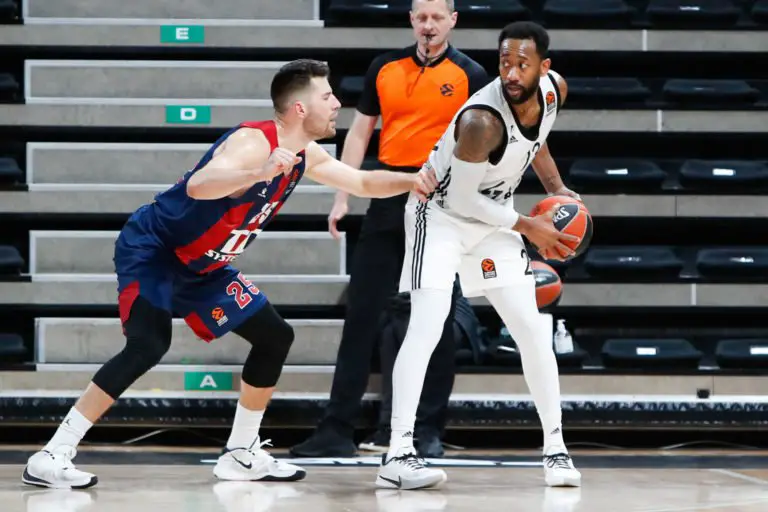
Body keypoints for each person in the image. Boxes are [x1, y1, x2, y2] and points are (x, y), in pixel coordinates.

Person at [20, 59, 438, 490]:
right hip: (156, 251)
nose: (336, 104)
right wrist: (260, 173)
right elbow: (199, 185)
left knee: (275, 337)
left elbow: (362, 184)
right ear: (299, 108)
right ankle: (52, 454)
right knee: (148, 344)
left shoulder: (305, 153)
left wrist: (414, 181)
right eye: (327, 96)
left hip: (204, 264)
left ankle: (240, 452)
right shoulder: (253, 142)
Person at [375, 21, 583, 490]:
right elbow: (463, 200)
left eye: (522, 64)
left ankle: (556, 449)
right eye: (504, 62)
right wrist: (529, 226)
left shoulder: (554, 92)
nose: (511, 73)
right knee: (427, 325)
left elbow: (536, 140)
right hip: (440, 216)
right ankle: (398, 453)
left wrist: (558, 189)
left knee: (532, 329)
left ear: (544, 68)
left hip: (493, 218)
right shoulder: (481, 121)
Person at [291, 0, 488, 459]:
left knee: (435, 319)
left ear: (453, 21)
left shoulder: (471, 75)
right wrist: (342, 196)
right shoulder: (384, 68)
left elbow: (484, 143)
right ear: (411, 21)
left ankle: (426, 431)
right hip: (386, 194)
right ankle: (336, 428)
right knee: (361, 316)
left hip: (440, 202)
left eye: (437, 17)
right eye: (421, 17)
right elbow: (360, 133)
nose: (428, 25)